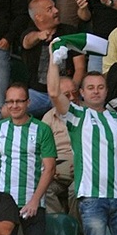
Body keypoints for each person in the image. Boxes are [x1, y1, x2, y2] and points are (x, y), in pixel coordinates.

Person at [47, 58, 117, 235]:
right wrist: (54, 59)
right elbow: (53, 92)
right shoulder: (77, 115)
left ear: (107, 91)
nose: (96, 92)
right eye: (90, 88)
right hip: (91, 199)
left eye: (100, 87)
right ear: (82, 92)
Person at [0, 83, 56, 235]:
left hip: (33, 201)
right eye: (10, 101)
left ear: (28, 102)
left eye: (19, 101)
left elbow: (49, 168)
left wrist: (35, 200)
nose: (15, 105)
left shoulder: (42, 129)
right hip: (4, 202)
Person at [21, 0, 86, 117]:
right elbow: (26, 42)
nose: (56, 11)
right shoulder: (30, 32)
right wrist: (38, 35)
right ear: (38, 17)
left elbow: (80, 67)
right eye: (50, 9)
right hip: (38, 94)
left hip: (63, 92)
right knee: (7, 111)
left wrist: (72, 91)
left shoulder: (70, 32)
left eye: (55, 7)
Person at [41, 77, 78, 218]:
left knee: (77, 191)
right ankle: (61, 226)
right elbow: (41, 150)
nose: (73, 98)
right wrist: (49, 168)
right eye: (67, 95)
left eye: (75, 93)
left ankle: (76, 231)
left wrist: (82, 165)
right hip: (56, 171)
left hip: (82, 170)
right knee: (43, 189)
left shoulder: (88, 114)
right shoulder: (48, 118)